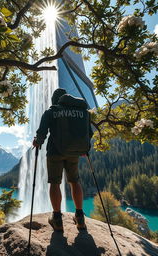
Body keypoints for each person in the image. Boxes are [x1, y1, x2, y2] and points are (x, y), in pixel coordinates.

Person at [33, 88, 93, 231]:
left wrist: (37, 141)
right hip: (74, 153)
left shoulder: (51, 112)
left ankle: (57, 219)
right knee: (74, 181)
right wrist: (83, 149)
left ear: (55, 100)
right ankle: (80, 218)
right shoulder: (83, 112)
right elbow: (89, 133)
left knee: (54, 182)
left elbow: (42, 132)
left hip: (55, 152)